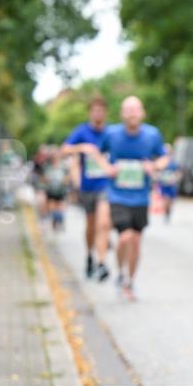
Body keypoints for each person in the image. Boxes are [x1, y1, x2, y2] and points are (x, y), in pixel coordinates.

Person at [92, 96, 168, 302]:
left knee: (135, 241)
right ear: (122, 114)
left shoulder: (152, 135)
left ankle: (129, 280)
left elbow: (163, 157)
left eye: (136, 110)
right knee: (125, 237)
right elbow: (96, 153)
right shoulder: (112, 134)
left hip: (141, 197)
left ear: (142, 113)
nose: (132, 114)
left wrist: (155, 166)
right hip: (117, 195)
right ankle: (120, 271)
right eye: (128, 110)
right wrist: (107, 168)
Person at [63, 97, 113, 281]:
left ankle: (101, 263)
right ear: (90, 113)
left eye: (101, 110)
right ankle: (90, 256)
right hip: (88, 186)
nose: (98, 113)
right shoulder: (82, 132)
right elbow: (65, 149)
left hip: (106, 186)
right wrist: (81, 147)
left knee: (103, 223)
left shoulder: (111, 132)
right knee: (91, 225)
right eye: (94, 110)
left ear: (105, 112)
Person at [42, 151, 70, 232]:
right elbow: (43, 178)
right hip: (51, 190)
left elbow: (68, 177)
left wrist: (64, 181)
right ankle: (54, 222)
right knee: (52, 207)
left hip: (60, 190)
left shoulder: (63, 166)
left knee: (60, 207)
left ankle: (60, 221)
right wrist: (48, 180)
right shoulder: (47, 167)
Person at [156, 143, 181, 223]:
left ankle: (168, 212)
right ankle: (165, 212)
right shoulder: (161, 163)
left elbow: (178, 173)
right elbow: (156, 171)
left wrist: (175, 178)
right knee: (165, 200)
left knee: (170, 202)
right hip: (163, 184)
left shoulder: (174, 163)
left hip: (171, 185)